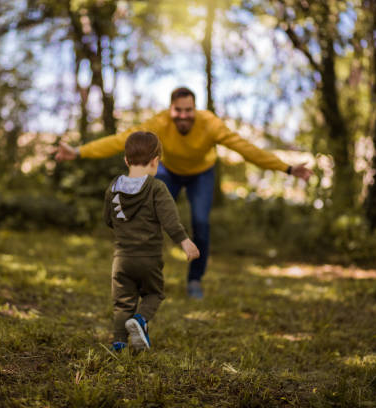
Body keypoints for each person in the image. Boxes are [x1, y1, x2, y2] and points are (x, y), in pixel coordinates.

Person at [56, 86, 312, 299]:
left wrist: (287, 168)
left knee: (201, 222)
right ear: (171, 110)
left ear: (195, 109)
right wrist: (78, 152)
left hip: (202, 173)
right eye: (178, 110)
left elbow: (246, 149)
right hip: (170, 171)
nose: (183, 116)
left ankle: (195, 281)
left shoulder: (210, 124)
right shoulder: (159, 122)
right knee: (150, 211)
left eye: (188, 110)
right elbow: (121, 140)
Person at [104, 131, 199, 352]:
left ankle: (118, 344)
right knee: (154, 294)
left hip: (122, 259)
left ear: (126, 160)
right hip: (149, 258)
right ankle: (140, 319)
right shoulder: (156, 188)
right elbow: (170, 220)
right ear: (156, 161)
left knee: (122, 301)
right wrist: (185, 241)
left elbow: (108, 219)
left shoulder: (112, 188)